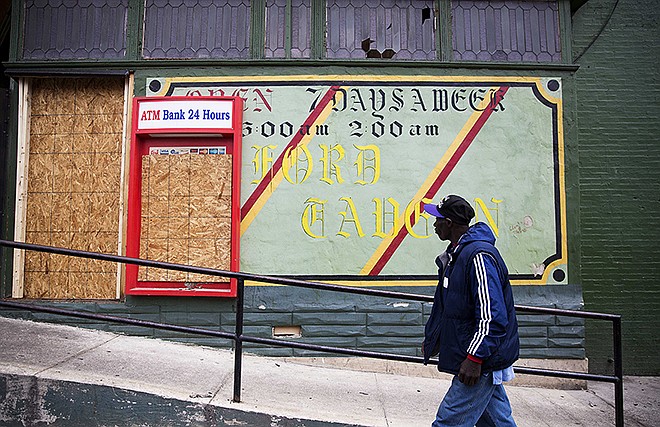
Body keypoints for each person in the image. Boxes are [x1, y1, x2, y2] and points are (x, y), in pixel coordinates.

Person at [422, 195, 520, 427]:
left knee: (448, 422)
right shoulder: (458, 254)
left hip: (480, 360)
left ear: (449, 223)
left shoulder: (477, 256)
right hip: (477, 355)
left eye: (437, 220)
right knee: (497, 422)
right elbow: (451, 307)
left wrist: (475, 358)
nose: (434, 225)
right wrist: (435, 339)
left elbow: (492, 315)